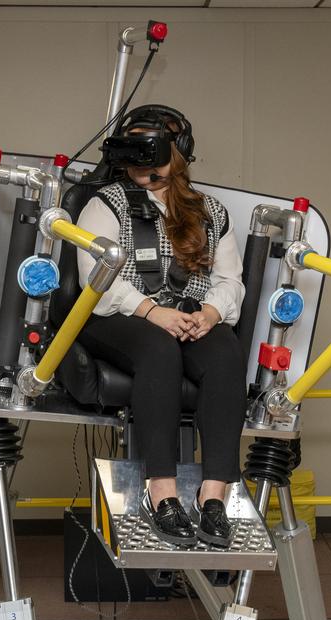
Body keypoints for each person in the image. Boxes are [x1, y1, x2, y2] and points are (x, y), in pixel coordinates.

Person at [74, 104, 246, 549]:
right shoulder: (104, 205)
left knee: (226, 352)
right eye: (137, 155)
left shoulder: (210, 211)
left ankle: (214, 497)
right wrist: (153, 312)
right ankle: (162, 493)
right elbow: (94, 280)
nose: (145, 166)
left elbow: (229, 281)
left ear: (179, 153)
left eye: (154, 153)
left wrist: (208, 315)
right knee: (158, 349)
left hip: (190, 315)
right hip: (118, 315)